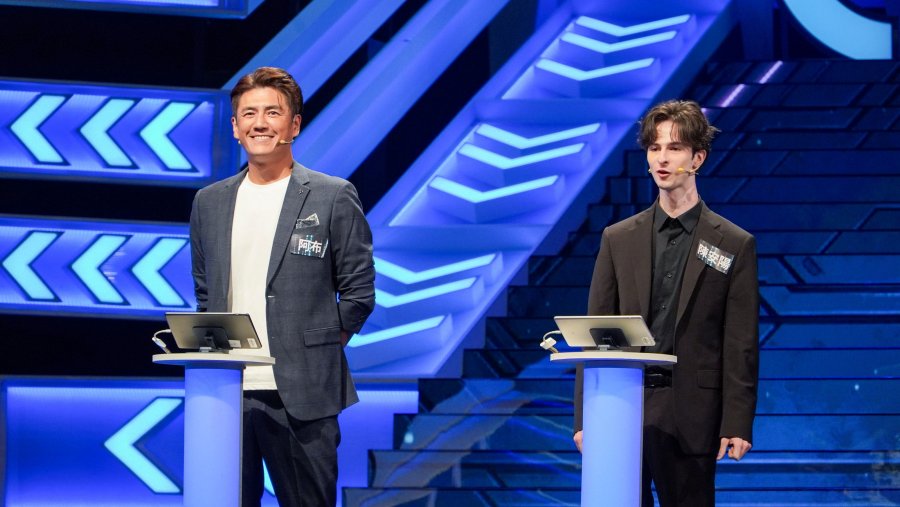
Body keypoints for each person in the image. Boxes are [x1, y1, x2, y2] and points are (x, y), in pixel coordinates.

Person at [189, 66, 375, 506]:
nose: (260, 123)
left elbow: (359, 293)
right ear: (235, 127)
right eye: (249, 114)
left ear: (294, 125)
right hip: (226, 390)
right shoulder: (209, 202)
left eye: (273, 112)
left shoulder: (332, 195)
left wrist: (316, 350)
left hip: (304, 392)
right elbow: (205, 292)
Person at [572, 100, 759, 506]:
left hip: (693, 410)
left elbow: (740, 341)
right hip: (621, 407)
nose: (662, 158)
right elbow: (597, 335)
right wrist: (586, 417)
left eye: (674, 148)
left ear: (697, 158)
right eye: (654, 148)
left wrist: (737, 421)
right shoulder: (618, 238)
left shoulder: (733, 243)